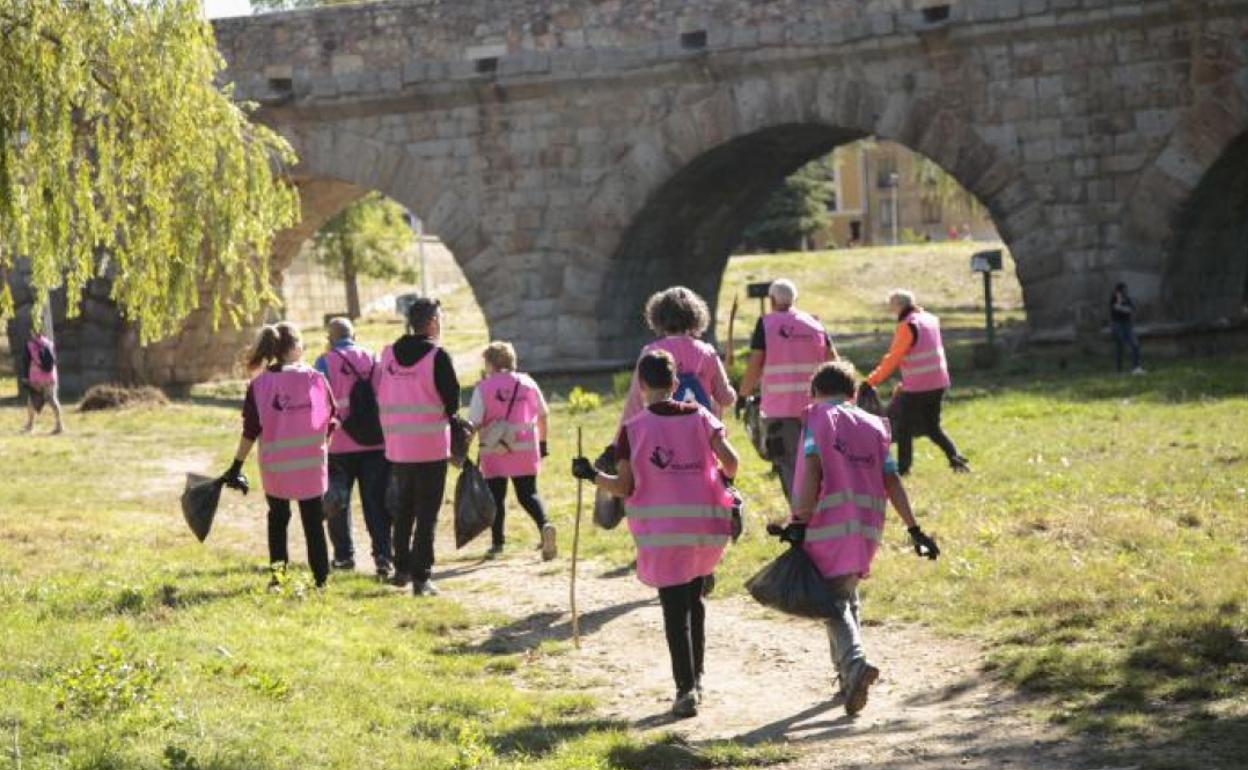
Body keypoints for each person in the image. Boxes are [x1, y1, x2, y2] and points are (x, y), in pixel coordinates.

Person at [572, 350, 739, 719]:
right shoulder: (701, 416)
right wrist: (721, 481)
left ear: (642, 385)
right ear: (676, 383)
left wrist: (589, 475)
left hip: (663, 535)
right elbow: (732, 461)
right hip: (704, 529)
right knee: (695, 603)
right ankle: (697, 679)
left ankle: (685, 692)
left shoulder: (633, 430)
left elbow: (624, 487)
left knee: (673, 611)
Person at [788, 361, 940, 716]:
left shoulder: (817, 419)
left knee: (831, 603)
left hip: (826, 524)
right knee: (846, 595)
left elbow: (811, 467)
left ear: (814, 393)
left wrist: (799, 519)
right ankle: (846, 678)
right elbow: (892, 480)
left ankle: (855, 665)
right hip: (867, 527)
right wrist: (914, 528)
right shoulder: (873, 426)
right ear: (854, 393)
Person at [222, 323, 335, 589]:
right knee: (313, 524)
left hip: (276, 468)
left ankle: (278, 578)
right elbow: (331, 420)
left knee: (277, 521)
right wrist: (322, 448)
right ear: (295, 347)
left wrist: (236, 465)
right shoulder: (315, 380)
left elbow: (251, 430)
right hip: (310, 467)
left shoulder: (259, 385)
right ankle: (320, 580)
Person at [376, 297, 461, 597]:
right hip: (431, 447)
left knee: (404, 510)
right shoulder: (437, 356)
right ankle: (421, 577)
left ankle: (401, 569)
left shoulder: (387, 355)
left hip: (398, 447)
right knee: (427, 513)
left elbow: (380, 392)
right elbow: (453, 402)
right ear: (434, 321)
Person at [737, 278, 838, 498]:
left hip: (780, 410)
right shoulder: (814, 323)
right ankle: (822, 510)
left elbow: (755, 364)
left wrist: (743, 396)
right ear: (795, 299)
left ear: (772, 300)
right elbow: (833, 361)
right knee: (818, 461)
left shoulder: (766, 324)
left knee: (789, 464)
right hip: (816, 407)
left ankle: (801, 517)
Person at [314, 317, 393, 579]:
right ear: (354, 335)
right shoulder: (373, 358)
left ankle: (344, 556)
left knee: (338, 501)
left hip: (339, 445)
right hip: (375, 441)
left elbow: (318, 403)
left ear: (330, 338)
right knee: (376, 502)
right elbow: (386, 394)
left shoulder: (324, 362)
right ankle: (383, 556)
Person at [862, 289, 969, 475]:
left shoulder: (907, 325)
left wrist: (871, 381)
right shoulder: (929, 319)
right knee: (932, 427)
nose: (890, 310)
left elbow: (893, 358)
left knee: (904, 428)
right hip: (939, 381)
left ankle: (903, 469)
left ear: (897, 305)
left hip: (918, 386)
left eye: (891, 306)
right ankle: (956, 459)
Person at [468, 341, 557, 560]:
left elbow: (475, 422)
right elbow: (543, 415)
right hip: (525, 449)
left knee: (496, 497)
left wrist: (464, 447)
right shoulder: (528, 383)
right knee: (528, 494)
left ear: (490, 363)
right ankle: (545, 525)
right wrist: (543, 444)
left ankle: (498, 544)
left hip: (495, 450)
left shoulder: (484, 388)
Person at [619, 286, 736, 423]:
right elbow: (725, 398)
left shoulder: (651, 352)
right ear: (696, 316)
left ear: (658, 317)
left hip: (663, 435)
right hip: (701, 434)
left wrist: (619, 441)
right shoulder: (707, 352)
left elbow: (635, 402)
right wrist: (732, 392)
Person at [20, 327, 64, 435]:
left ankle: (30, 425)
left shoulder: (30, 345)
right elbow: (54, 360)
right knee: (53, 400)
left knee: (32, 399)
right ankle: (59, 425)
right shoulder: (49, 343)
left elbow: (26, 362)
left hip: (36, 378)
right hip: (50, 377)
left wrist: (25, 377)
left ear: (33, 331)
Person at [1110, 283, 1144, 375]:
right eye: (1124, 289)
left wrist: (1122, 308)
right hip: (1118, 325)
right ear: (1119, 291)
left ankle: (1136, 367)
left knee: (1135, 345)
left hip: (1127, 325)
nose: (1126, 291)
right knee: (1120, 347)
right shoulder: (1114, 299)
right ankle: (1119, 370)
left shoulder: (1128, 299)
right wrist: (1119, 302)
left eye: (1126, 289)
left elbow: (1131, 310)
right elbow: (1116, 308)